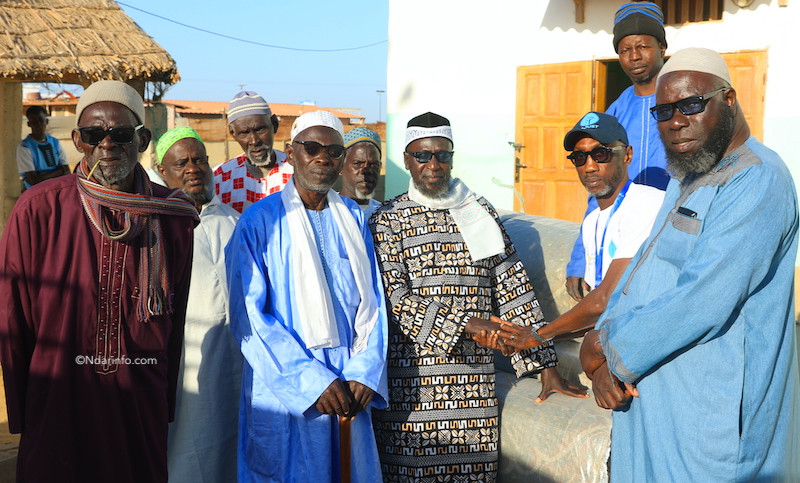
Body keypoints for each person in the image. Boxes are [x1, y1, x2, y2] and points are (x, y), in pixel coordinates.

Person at [580, 48, 800, 481]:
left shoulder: (757, 179)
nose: (675, 121)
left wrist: (611, 351)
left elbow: (705, 297)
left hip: (707, 409)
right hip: (651, 391)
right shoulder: (689, 173)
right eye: (663, 111)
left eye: (691, 105)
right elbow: (645, 265)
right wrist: (601, 336)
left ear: (729, 99)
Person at [370, 112, 587, 482]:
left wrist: (546, 366)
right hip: (414, 389)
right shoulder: (388, 219)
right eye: (423, 156)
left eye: (443, 154)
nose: (434, 165)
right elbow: (395, 298)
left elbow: (512, 288)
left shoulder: (478, 211)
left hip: (473, 390)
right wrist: (467, 324)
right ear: (407, 159)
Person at [0, 80, 199, 482]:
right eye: (94, 134)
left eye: (121, 134)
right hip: (57, 396)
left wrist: (163, 403)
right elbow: (12, 317)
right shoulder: (38, 208)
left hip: (139, 401)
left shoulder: (173, 218)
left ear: (141, 139)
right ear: (78, 140)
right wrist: (26, 407)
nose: (107, 144)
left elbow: (174, 325)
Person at [225, 110, 388, 482]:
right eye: (311, 147)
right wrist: (311, 381)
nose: (322, 158)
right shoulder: (258, 222)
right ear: (290, 152)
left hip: (349, 380)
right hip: (286, 384)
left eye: (333, 150)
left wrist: (364, 372)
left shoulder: (354, 217)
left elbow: (375, 301)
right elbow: (249, 318)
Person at [501, 112, 663, 349]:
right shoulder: (593, 221)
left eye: (601, 154)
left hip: (652, 342)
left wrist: (537, 336)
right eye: (579, 157)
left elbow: (604, 300)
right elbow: (604, 314)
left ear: (627, 155)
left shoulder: (648, 203)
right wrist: (533, 338)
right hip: (620, 341)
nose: (589, 167)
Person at [566, 1, 670, 301]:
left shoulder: (682, 102)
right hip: (622, 242)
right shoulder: (616, 112)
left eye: (643, 46)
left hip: (672, 237)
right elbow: (598, 188)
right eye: (625, 49)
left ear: (662, 47)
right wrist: (579, 258)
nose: (634, 56)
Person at [155, 127, 242, 483]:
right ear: (163, 172)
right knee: (188, 447)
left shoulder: (237, 221)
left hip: (239, 361)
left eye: (200, 160)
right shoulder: (155, 224)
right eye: (182, 163)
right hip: (186, 362)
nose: (194, 168)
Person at [213, 91, 292, 213]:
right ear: (233, 134)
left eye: (260, 129)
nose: (254, 141)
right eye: (244, 133)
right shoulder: (219, 179)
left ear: (274, 125)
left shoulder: (296, 171)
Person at [16, 105, 70, 189]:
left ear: (46, 121)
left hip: (57, 190)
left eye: (41, 120)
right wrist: (59, 171)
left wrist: (42, 176)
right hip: (36, 193)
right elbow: (33, 180)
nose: (38, 124)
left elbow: (67, 171)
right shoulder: (24, 147)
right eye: (34, 121)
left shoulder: (55, 142)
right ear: (29, 124)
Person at [341, 127, 383, 218]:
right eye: (357, 164)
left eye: (373, 165)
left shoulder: (386, 215)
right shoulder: (328, 210)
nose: (366, 171)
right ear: (341, 166)